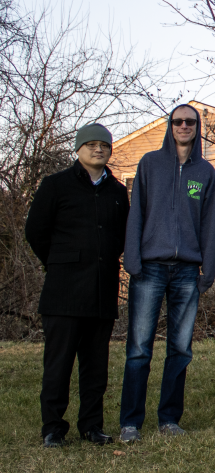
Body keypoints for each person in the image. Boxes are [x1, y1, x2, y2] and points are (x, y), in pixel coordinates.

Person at [25, 123, 129, 448]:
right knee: (58, 365)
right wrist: (59, 262)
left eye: (104, 145)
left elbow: (122, 235)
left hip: (101, 292)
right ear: (79, 149)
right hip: (63, 293)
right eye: (92, 144)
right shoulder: (55, 185)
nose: (98, 150)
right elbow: (36, 231)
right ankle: (53, 429)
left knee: (95, 367)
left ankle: (92, 426)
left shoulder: (116, 191)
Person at [119, 105, 215, 442]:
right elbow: (137, 214)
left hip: (188, 271)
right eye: (178, 121)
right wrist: (132, 259)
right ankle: (130, 422)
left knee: (180, 348)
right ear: (170, 126)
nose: (184, 126)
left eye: (190, 122)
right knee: (139, 348)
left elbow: (209, 222)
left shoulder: (204, 171)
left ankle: (168, 419)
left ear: (197, 127)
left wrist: (208, 268)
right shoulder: (149, 164)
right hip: (150, 268)